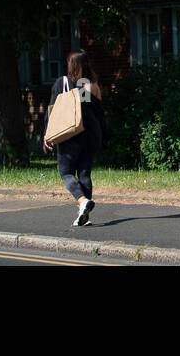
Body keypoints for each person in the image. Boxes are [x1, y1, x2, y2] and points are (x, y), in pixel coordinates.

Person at [44, 51, 111, 227]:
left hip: (71, 134)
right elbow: (100, 115)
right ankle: (85, 215)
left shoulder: (63, 82)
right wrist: (105, 137)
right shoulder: (92, 85)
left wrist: (47, 134)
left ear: (70, 64)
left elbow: (52, 111)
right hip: (92, 135)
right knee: (84, 173)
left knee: (65, 172)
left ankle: (82, 201)